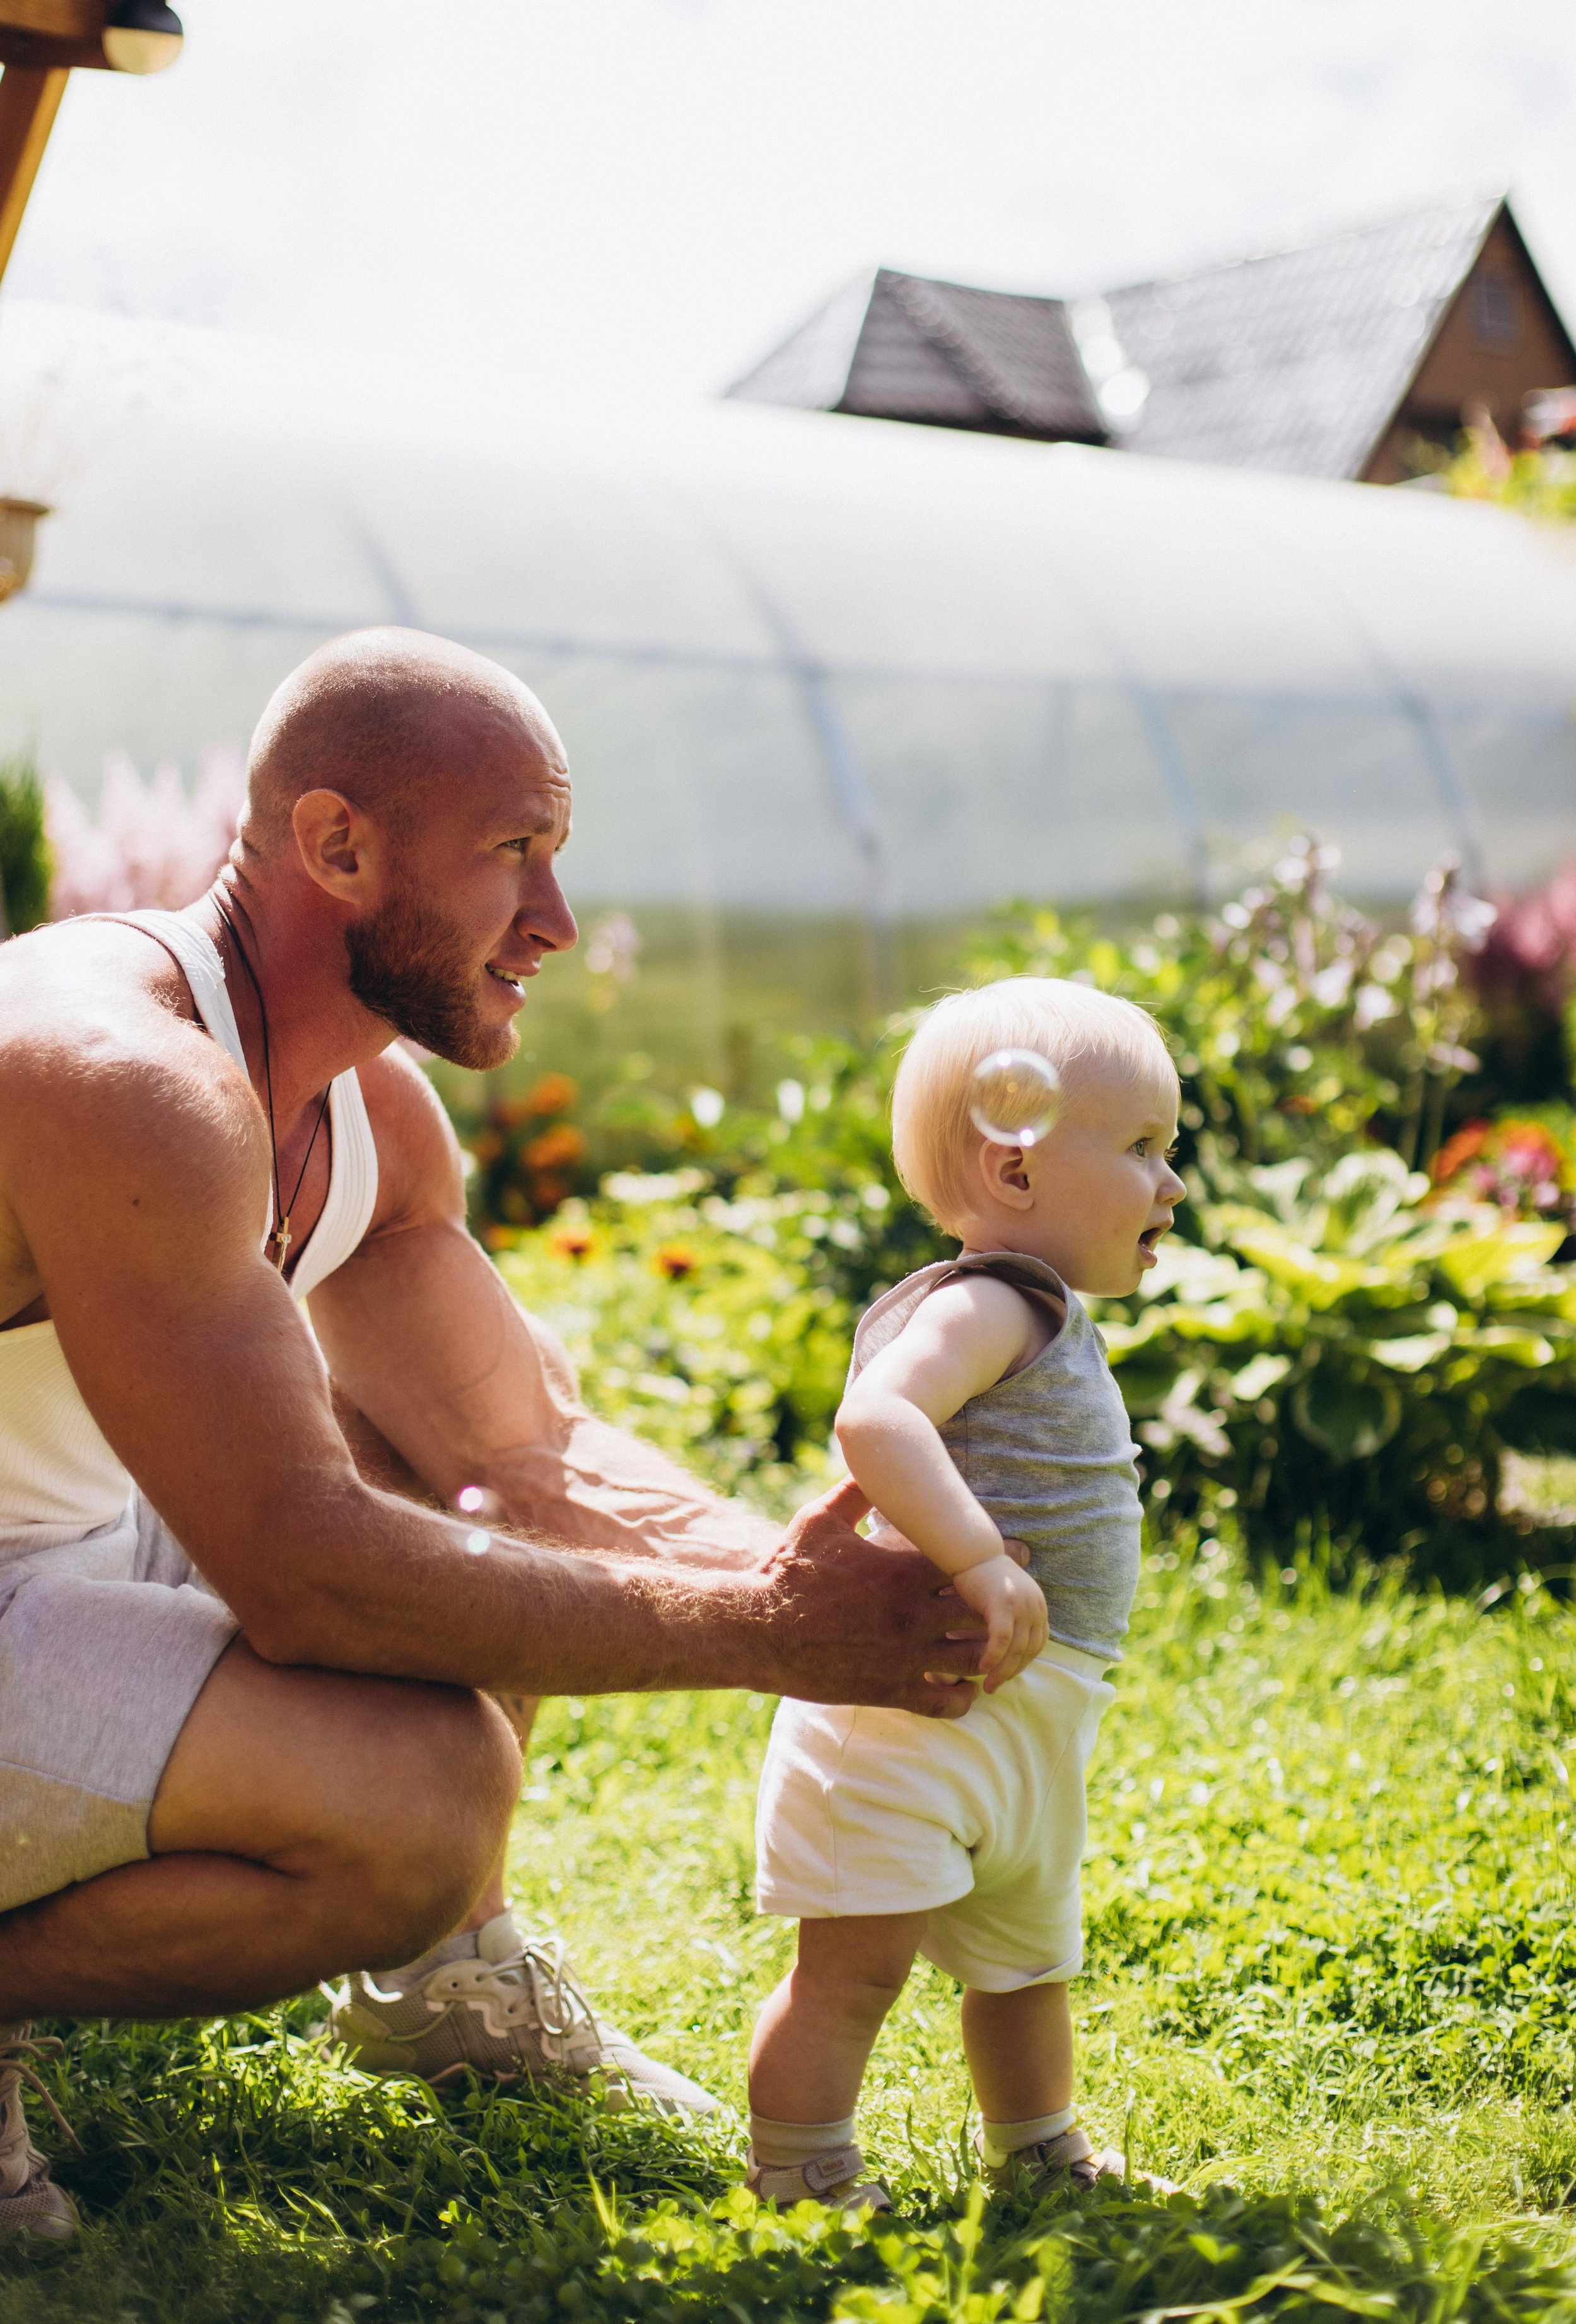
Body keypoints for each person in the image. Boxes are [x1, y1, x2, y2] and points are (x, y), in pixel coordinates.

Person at [0, 629, 999, 2241]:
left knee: (447, 1483)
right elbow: (308, 1579)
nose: (557, 922)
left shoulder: (365, 1110)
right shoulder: (127, 1077)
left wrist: (884, 1577)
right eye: (514, 852)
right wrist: (769, 1633)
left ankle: (443, 1992)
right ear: (337, 847)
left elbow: (522, 1457)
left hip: (55, 1551)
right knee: (422, 1792)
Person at [744, 980, 1185, 2213]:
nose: (1171, 1184)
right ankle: (799, 2169)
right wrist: (980, 1555)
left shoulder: (1035, 1313)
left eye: (1170, 1149)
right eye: (1143, 1148)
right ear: (1016, 1170)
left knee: (1023, 1961)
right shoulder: (987, 1302)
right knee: (850, 1971)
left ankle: (1038, 2148)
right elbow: (875, 1417)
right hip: (910, 1717)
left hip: (1020, 1717)